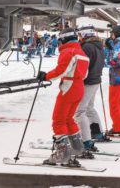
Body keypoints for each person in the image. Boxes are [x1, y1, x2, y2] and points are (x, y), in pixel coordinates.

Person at [37, 28, 90, 167]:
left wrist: (45, 76)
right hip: (79, 87)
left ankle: (63, 154)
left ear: (63, 40)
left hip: (70, 87)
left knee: (58, 120)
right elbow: (84, 73)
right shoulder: (81, 52)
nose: (59, 45)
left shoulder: (68, 51)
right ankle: (77, 148)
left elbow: (62, 70)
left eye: (60, 41)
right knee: (68, 119)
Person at [74, 25, 106, 153]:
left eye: (80, 35)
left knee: (80, 111)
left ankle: (86, 140)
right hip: (95, 80)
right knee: (89, 108)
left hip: (88, 81)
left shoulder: (87, 47)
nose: (79, 38)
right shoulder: (98, 45)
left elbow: (84, 65)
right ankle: (97, 132)